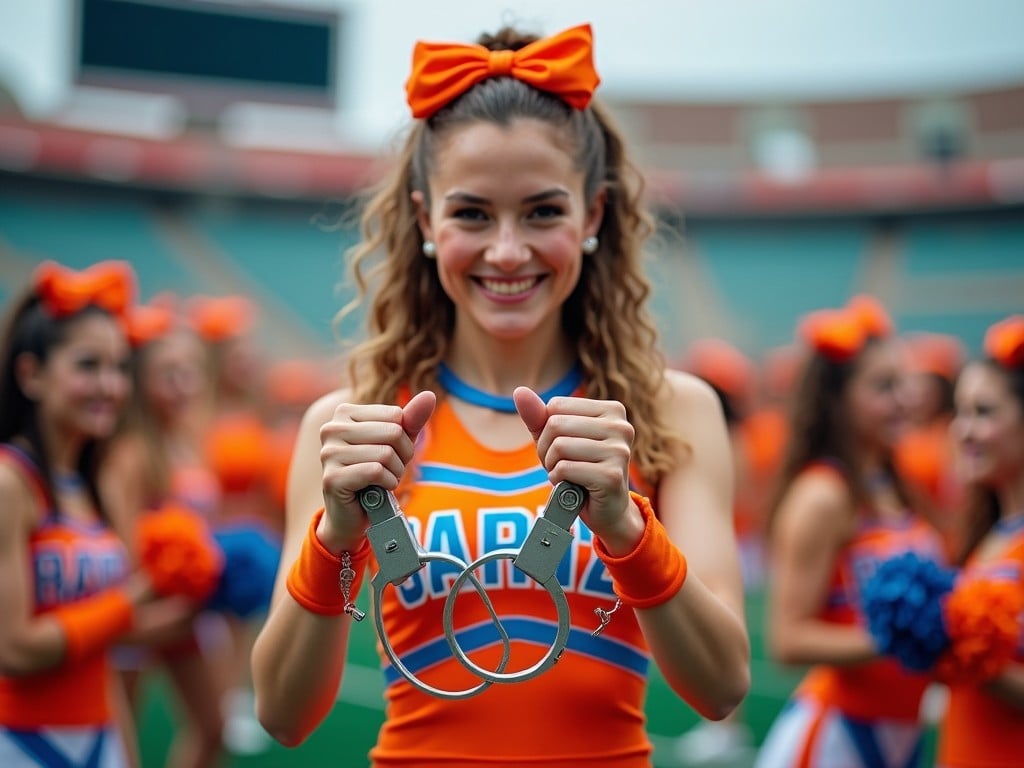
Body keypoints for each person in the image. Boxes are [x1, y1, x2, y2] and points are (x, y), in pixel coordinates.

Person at [252, 21, 750, 767]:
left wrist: (626, 527)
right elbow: (284, 715)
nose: (508, 251)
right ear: (425, 219)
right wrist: (335, 539)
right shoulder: (350, 423)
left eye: (543, 211)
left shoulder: (672, 410)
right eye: (472, 213)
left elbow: (720, 686)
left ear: (595, 215)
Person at [0, 261, 181, 767]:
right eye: (88, 366)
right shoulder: (10, 483)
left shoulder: (89, 481)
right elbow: (12, 648)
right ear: (31, 374)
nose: (110, 386)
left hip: (100, 736)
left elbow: (96, 645)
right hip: (20, 742)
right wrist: (134, 598)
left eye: (119, 368)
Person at [754, 295, 946, 768]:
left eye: (904, 383)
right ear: (837, 401)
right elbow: (788, 640)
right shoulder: (824, 495)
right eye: (883, 386)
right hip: (837, 739)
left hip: (901, 734)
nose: (904, 399)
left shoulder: (895, 484)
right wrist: (901, 637)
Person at [102, 294, 227, 768]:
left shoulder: (187, 440)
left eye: (190, 371)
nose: (182, 385)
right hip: (143, 618)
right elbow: (122, 550)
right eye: (167, 374)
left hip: (186, 614)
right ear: (140, 382)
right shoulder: (132, 452)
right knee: (120, 748)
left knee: (214, 727)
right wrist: (173, 584)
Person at [937, 314, 1024, 767]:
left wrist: (962, 654)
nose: (962, 430)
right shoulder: (990, 531)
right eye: (960, 410)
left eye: (983, 412)